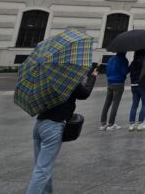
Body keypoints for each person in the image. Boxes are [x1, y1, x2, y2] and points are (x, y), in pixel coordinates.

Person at [27, 65, 98, 193]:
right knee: (43, 169)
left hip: (40, 122)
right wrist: (92, 77)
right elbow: (84, 93)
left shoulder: (47, 76)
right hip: (53, 126)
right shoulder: (68, 77)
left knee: (42, 166)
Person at [100, 52, 129, 131]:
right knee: (115, 104)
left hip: (110, 82)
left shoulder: (111, 59)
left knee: (107, 103)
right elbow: (124, 71)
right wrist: (128, 68)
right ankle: (111, 124)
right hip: (118, 83)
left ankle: (103, 123)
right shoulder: (124, 60)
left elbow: (107, 71)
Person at [128, 49, 145, 132]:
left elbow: (127, 70)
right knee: (144, 104)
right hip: (143, 85)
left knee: (134, 105)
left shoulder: (133, 63)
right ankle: (140, 124)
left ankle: (131, 124)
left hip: (133, 85)